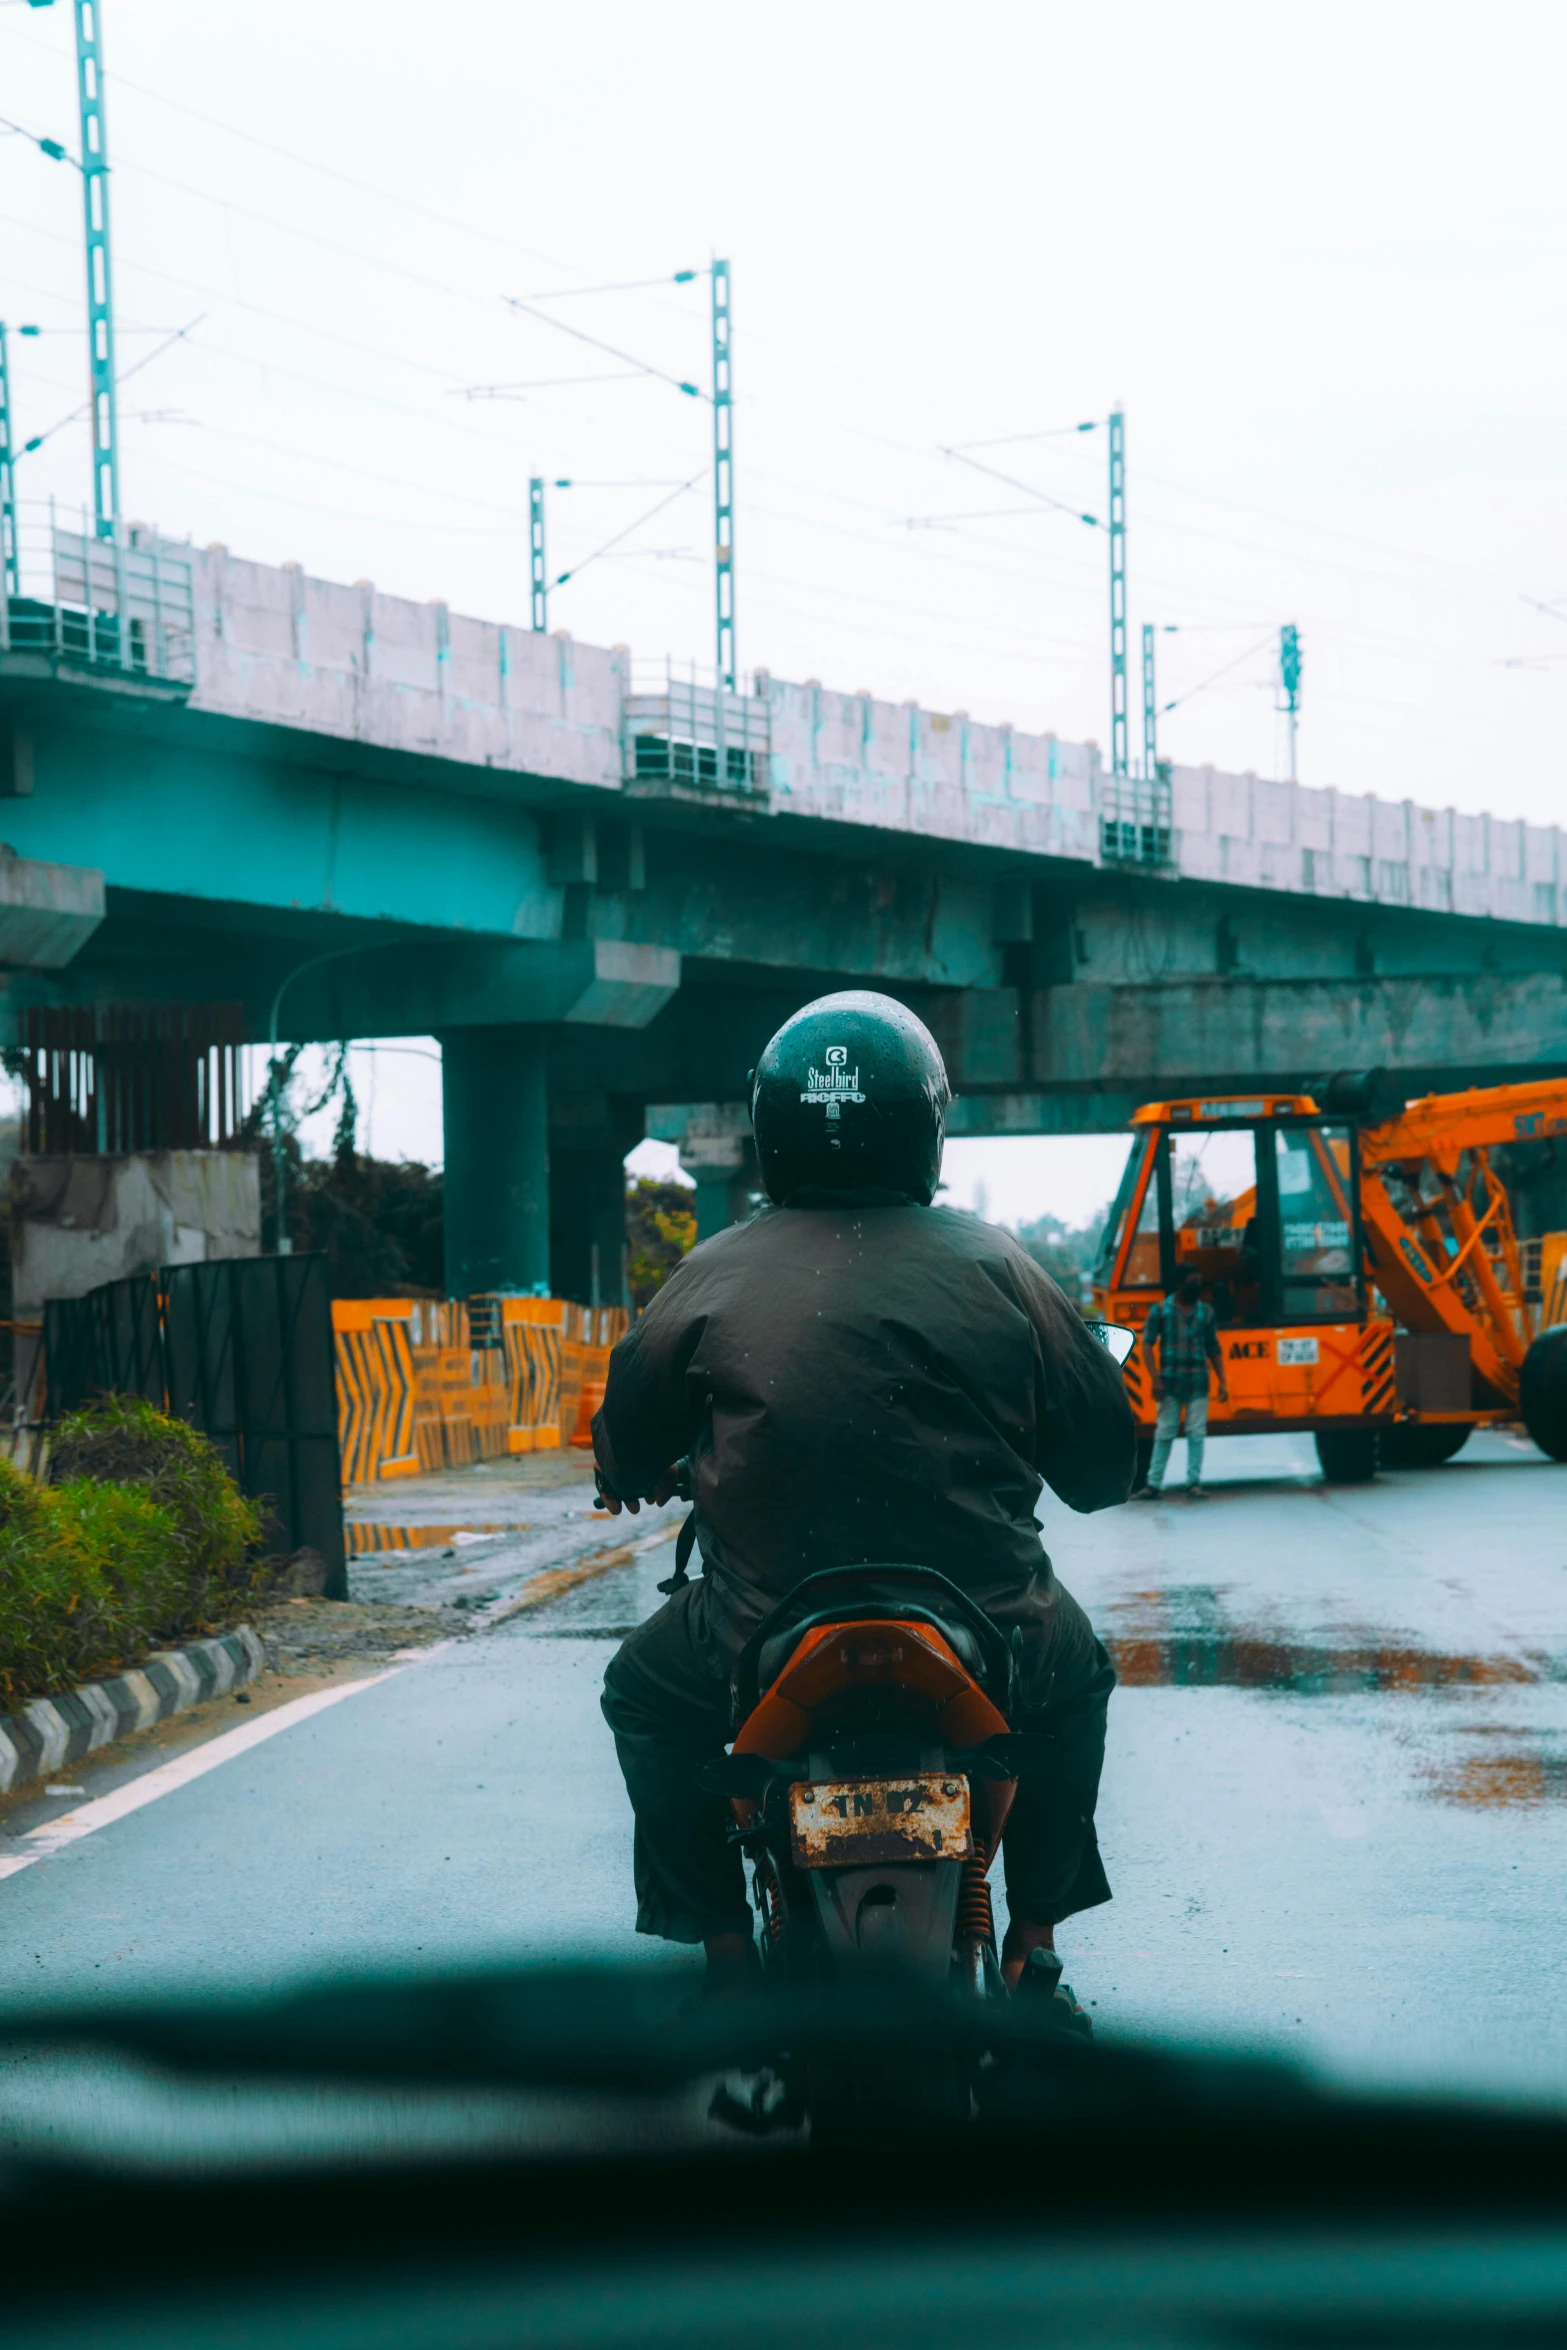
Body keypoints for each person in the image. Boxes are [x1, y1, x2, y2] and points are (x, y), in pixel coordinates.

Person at [594, 989, 1137, 1994]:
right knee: (1076, 1682)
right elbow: (1105, 1468)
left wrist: (632, 1475)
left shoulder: (709, 1273)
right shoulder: (1001, 1266)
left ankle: (722, 1962)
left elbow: (625, 1443)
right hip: (993, 1626)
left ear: (769, 1127)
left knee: (643, 1692)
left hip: (759, 1627)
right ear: (924, 1121)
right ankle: (1033, 1944)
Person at [1135, 1270, 1229, 1499]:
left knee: (1196, 1433)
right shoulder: (1159, 1311)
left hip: (1198, 1380)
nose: (1196, 1286)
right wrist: (1155, 1378)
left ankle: (1193, 1483)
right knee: (1165, 1432)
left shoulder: (1206, 1312)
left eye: (1198, 1282)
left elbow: (1213, 1348)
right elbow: (1146, 1345)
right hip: (1169, 1382)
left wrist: (1223, 1381)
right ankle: (1154, 1484)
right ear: (1178, 1284)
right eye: (1191, 1282)